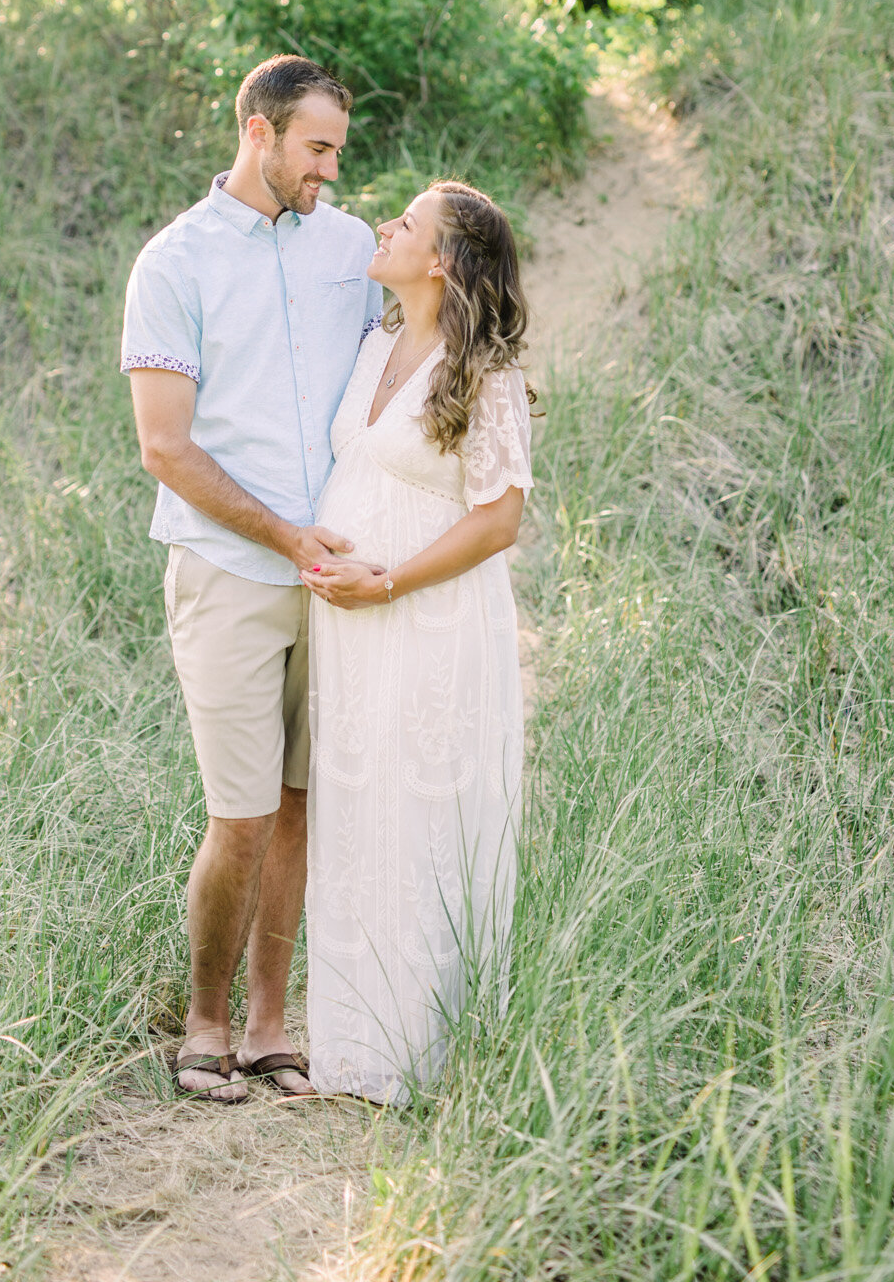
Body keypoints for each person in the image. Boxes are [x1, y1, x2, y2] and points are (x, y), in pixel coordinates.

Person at [122, 55, 381, 1104]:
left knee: (302, 802)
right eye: (315, 148)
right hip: (230, 569)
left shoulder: (353, 245)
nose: (328, 170)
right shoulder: (173, 262)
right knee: (240, 812)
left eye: (336, 152)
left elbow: (391, 383)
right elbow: (165, 447)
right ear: (258, 131)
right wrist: (286, 535)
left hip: (338, 582)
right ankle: (204, 1018)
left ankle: (273, 1022)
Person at [302, 180, 532, 1104]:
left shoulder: (483, 371)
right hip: (350, 626)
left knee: (423, 814)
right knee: (356, 811)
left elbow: (500, 519)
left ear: (439, 260)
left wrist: (388, 579)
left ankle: (427, 1055)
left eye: (406, 221)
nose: (384, 224)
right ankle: (352, 1045)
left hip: (430, 620)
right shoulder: (374, 345)